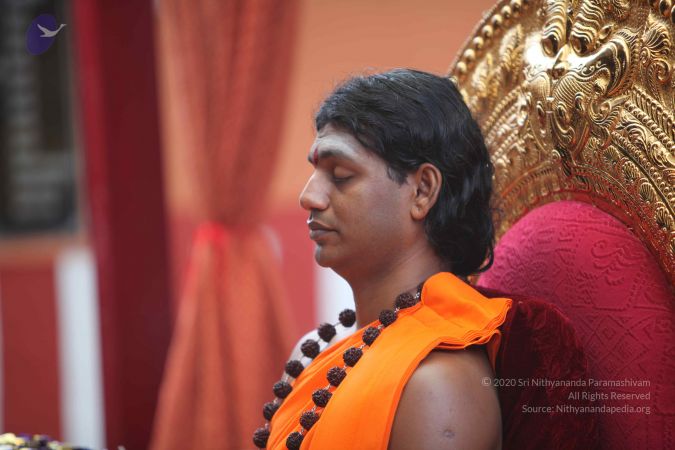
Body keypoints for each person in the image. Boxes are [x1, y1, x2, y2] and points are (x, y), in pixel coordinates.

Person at [253, 69, 512, 449]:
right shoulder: (314, 351)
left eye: (341, 175)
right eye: (315, 172)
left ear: (422, 191)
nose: (309, 197)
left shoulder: (435, 383)